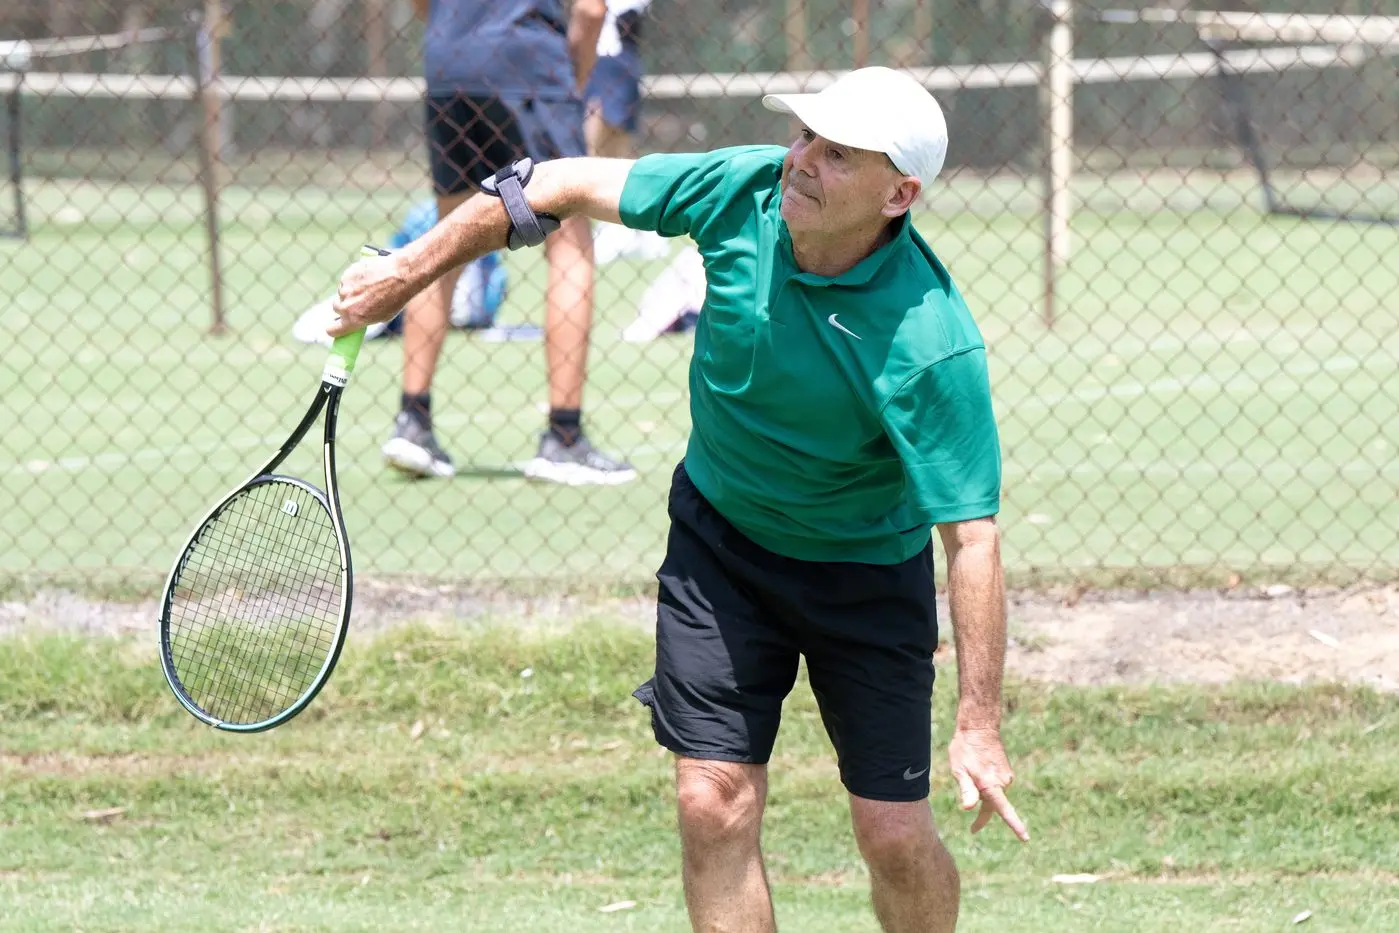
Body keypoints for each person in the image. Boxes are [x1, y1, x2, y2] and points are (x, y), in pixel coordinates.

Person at [330, 66, 1029, 933]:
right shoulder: (740, 190)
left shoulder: (927, 340)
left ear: (899, 195)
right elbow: (552, 183)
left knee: (891, 833)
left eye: (838, 155)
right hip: (722, 549)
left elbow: (971, 539)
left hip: (864, 575)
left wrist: (978, 723)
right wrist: (408, 269)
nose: (802, 160)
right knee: (710, 800)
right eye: (805, 137)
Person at [393, 0, 635, 484]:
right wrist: (571, 78)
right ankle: (564, 437)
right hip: (529, 62)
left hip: (448, 63)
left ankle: (412, 422)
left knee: (446, 239)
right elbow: (591, 10)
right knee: (570, 240)